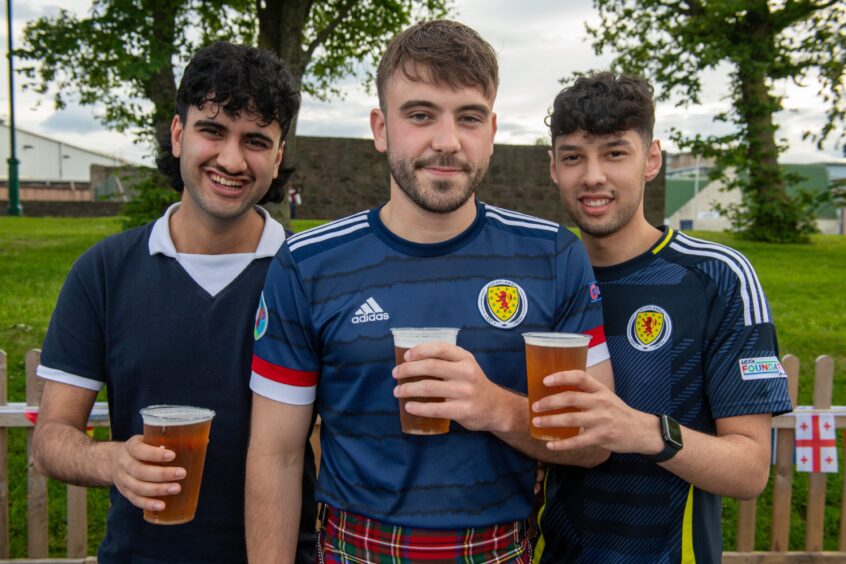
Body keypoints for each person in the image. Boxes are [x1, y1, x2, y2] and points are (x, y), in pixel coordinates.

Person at [246, 19, 614, 563]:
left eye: (468, 117)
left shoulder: (553, 255)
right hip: (354, 550)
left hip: (499, 551)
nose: (446, 142)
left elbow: (595, 444)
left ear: (490, 130)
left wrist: (493, 407)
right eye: (420, 115)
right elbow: (275, 456)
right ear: (380, 127)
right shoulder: (307, 264)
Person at [31, 42, 317, 563]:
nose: (231, 159)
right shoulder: (104, 271)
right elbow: (50, 439)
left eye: (255, 141)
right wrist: (113, 461)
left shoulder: (309, 275)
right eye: (212, 130)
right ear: (178, 133)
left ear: (277, 159)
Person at [532, 72, 794, 563]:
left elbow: (750, 470)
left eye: (614, 152)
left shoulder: (716, 277)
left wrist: (641, 431)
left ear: (651, 160)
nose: (592, 176)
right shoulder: (540, 278)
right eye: (573, 156)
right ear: (553, 167)